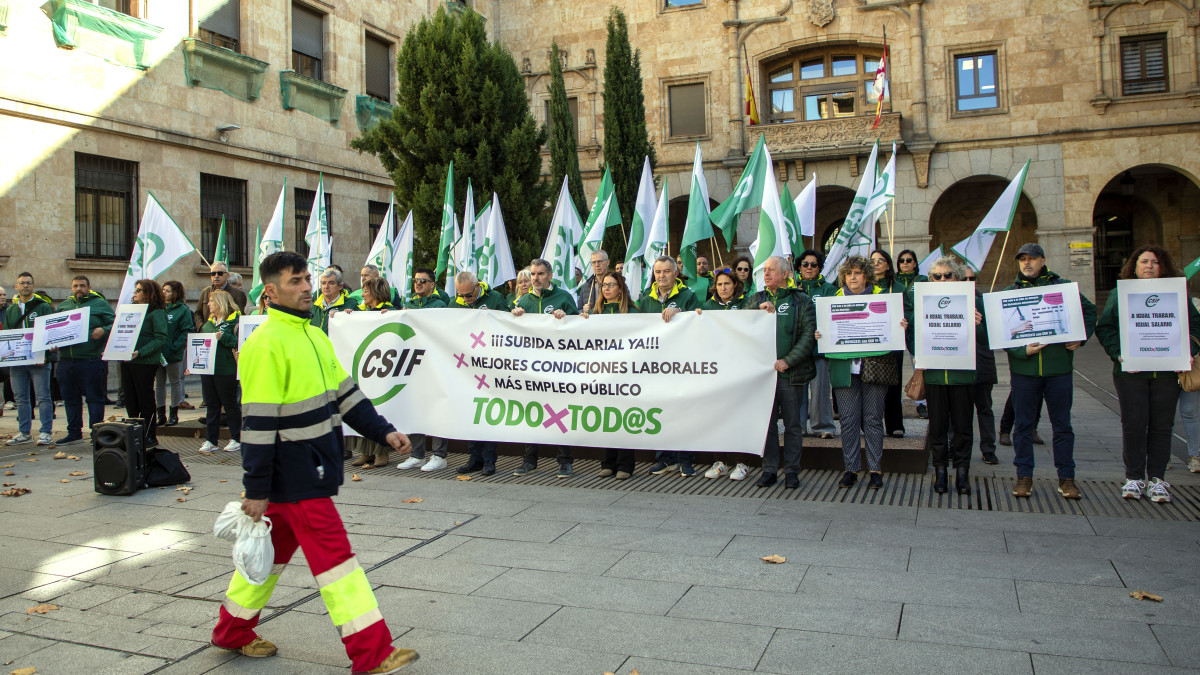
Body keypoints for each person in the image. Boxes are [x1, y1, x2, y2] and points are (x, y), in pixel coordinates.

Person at [211, 251, 417, 673]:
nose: (307, 287)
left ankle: (231, 632)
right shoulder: (265, 345)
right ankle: (372, 654)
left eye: (307, 278)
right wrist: (255, 488)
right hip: (294, 475)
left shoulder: (315, 336)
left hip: (307, 472)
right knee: (337, 563)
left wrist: (384, 431)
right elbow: (257, 425)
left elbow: (347, 397)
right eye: (296, 281)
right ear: (270, 291)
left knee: (268, 562)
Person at [1095, 246, 1200, 503]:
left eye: (1154, 262)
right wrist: (1119, 354)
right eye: (1144, 261)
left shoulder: (1177, 294)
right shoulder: (1120, 293)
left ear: (1162, 266)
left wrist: (1189, 349)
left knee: (1162, 426)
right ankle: (1133, 478)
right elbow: (1105, 327)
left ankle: (1158, 480)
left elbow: (1196, 324)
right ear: (1134, 266)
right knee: (1133, 424)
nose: (1149, 266)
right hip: (1130, 372)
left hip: (1167, 372)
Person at [1004, 243, 1097, 500]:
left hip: (1058, 370)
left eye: (1032, 258)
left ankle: (1066, 478)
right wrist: (1022, 352)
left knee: (1062, 426)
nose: (1026, 263)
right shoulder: (1011, 293)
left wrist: (1082, 337)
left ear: (1043, 260)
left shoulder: (1063, 287)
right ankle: (1024, 476)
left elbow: (1089, 311)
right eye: (1022, 259)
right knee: (1023, 426)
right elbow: (1001, 335)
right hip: (1025, 371)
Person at [822, 256, 905, 490]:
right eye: (849, 274)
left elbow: (894, 331)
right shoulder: (832, 300)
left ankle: (875, 470)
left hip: (875, 368)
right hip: (844, 369)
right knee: (848, 421)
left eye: (858, 273)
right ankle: (851, 469)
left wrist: (901, 326)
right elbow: (825, 330)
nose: (853, 277)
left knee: (873, 419)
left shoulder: (882, 298)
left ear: (866, 275)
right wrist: (822, 335)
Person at [905, 258, 986, 495]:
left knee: (963, 428)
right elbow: (912, 334)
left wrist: (978, 324)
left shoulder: (975, 300)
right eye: (937, 276)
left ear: (958, 278)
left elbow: (986, 339)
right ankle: (940, 472)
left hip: (962, 376)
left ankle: (962, 472)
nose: (942, 279)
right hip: (935, 376)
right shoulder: (921, 301)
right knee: (938, 427)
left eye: (948, 275)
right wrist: (915, 347)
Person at [747, 256, 817, 489]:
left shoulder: (802, 300)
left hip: (790, 374)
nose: (766, 274)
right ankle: (769, 470)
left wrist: (788, 360)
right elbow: (741, 322)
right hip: (764, 376)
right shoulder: (758, 298)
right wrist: (757, 310)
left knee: (793, 425)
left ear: (785, 274)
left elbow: (809, 336)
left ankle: (792, 471)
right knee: (767, 425)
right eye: (764, 270)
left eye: (771, 270)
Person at [512, 259, 579, 477]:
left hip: (558, 367)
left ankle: (565, 461)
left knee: (560, 413)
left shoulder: (563, 297)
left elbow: (581, 329)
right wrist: (515, 317)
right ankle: (529, 460)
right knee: (532, 412)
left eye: (540, 274)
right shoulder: (525, 300)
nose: (536, 278)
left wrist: (566, 319)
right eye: (533, 274)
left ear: (549, 275)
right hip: (531, 368)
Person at [639, 256, 701, 476]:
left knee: (682, 412)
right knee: (659, 412)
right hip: (654, 365)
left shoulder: (688, 296)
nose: (662, 276)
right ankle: (664, 458)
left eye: (666, 271)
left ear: (676, 273)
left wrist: (681, 315)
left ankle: (685, 459)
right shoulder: (646, 298)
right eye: (658, 272)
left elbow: (698, 323)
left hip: (680, 364)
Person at [580, 271, 639, 479]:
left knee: (623, 417)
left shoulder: (632, 312)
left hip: (625, 375)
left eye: (611, 285)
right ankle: (608, 462)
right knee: (607, 418)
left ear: (620, 289)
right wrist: (582, 321)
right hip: (603, 374)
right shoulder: (596, 313)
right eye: (604, 285)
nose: (606, 288)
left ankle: (625, 465)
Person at [695, 268, 753, 479]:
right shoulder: (707, 306)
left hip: (740, 368)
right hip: (716, 370)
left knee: (739, 415)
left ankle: (742, 463)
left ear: (735, 285)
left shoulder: (747, 304)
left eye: (727, 283)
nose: (723, 288)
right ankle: (721, 461)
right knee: (717, 416)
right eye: (719, 284)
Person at [394, 268, 450, 472]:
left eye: (423, 281)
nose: (418, 284)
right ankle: (417, 454)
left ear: (432, 284)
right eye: (416, 280)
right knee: (414, 408)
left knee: (435, 408)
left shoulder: (439, 305)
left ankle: (439, 455)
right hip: (412, 364)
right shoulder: (408, 305)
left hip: (433, 364)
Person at [451, 270, 507, 474]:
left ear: (477, 286)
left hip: (491, 365)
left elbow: (508, 328)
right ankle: (474, 458)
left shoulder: (495, 299)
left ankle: (489, 460)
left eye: (468, 295)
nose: (465, 299)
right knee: (472, 412)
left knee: (488, 412)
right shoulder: (454, 303)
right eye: (461, 295)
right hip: (466, 366)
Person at [344, 278, 397, 469]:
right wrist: (346, 317)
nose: (363, 293)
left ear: (375, 292)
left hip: (383, 368)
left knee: (379, 409)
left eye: (366, 290)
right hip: (364, 366)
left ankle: (381, 453)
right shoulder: (361, 312)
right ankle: (365, 452)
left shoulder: (389, 311)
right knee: (364, 405)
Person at [55, 275, 115, 446]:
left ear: (89, 287)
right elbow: (53, 329)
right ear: (71, 288)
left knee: (94, 398)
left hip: (90, 360)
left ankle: (96, 434)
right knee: (70, 398)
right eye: (75, 286)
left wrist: (104, 330)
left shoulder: (100, 304)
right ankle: (74, 433)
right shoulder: (64, 306)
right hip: (66, 361)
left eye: (82, 285)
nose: (78, 289)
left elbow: (116, 323)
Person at [4, 272, 55, 446]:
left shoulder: (42, 306)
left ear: (33, 286)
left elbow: (50, 331)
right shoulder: (11, 309)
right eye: (22, 283)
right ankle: (24, 432)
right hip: (17, 361)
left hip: (39, 361)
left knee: (43, 397)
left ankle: (45, 432)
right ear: (16, 286)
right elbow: (9, 335)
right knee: (21, 398)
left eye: (28, 283)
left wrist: (46, 352)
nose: (25, 286)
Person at [795, 249, 838, 440]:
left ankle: (823, 426)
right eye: (805, 264)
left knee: (820, 390)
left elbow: (834, 313)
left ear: (820, 268)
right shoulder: (792, 289)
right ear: (799, 267)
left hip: (820, 348)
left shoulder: (828, 289)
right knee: (798, 391)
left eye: (814, 264)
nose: (809, 268)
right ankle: (799, 426)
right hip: (798, 349)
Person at [122, 280, 167, 448]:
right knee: (130, 398)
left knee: (145, 398)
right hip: (127, 360)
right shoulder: (130, 311)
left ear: (149, 293)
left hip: (145, 361)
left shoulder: (156, 313)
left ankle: (149, 434)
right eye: (135, 290)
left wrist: (140, 352)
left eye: (139, 290)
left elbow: (161, 338)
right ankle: (134, 433)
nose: (135, 293)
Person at [961, 269, 999, 465]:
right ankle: (957, 447)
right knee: (959, 411)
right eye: (964, 278)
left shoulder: (984, 302)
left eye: (972, 278)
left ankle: (988, 448)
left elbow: (994, 334)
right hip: (960, 367)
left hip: (982, 363)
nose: (968, 281)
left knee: (984, 409)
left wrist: (980, 325)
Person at [196, 290, 241, 454]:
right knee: (212, 406)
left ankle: (236, 438)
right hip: (208, 370)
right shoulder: (208, 324)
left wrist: (224, 338)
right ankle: (211, 440)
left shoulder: (235, 320)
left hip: (226, 368)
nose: (208, 305)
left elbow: (240, 342)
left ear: (221, 302)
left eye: (211, 301)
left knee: (230, 405)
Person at [870, 249, 906, 437]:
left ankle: (894, 424)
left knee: (893, 382)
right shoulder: (865, 286)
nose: (876, 263)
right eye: (873, 260)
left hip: (893, 342)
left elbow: (907, 310)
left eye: (880, 260)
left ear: (888, 264)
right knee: (871, 383)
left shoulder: (897, 287)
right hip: (871, 341)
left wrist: (904, 321)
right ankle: (869, 424)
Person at [157, 281, 193, 427]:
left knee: (175, 382)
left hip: (173, 353)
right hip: (158, 353)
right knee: (159, 384)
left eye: (168, 291)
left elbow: (186, 331)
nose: (164, 293)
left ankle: (174, 413)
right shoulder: (159, 308)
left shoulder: (182, 310)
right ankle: (160, 414)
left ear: (176, 293)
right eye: (163, 290)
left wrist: (174, 347)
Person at [196, 262, 249, 328]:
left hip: (227, 333)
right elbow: (198, 313)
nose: (216, 276)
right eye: (213, 274)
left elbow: (241, 317)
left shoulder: (238, 294)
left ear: (227, 275)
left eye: (220, 273)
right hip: (208, 333)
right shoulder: (205, 292)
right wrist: (201, 328)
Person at [312, 267, 351, 333]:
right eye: (323, 283)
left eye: (331, 283)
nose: (326, 286)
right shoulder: (313, 307)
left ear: (340, 286)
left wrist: (351, 315)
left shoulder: (350, 305)